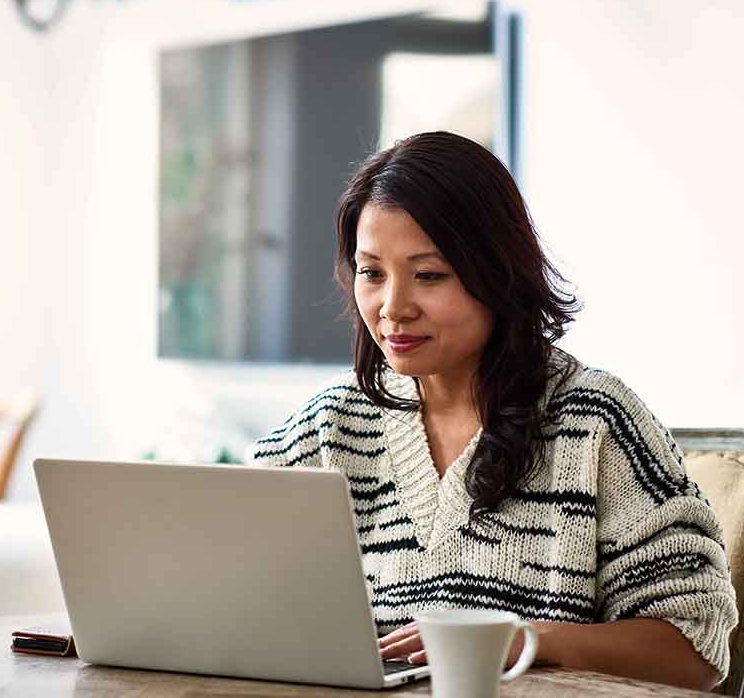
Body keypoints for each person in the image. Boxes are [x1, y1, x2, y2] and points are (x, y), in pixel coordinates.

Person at [246, 131, 737, 691]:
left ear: (497, 273)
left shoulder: (596, 421)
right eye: (371, 272)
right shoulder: (327, 425)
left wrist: (526, 640)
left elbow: (695, 650)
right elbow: (231, 594)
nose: (393, 308)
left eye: (429, 275)